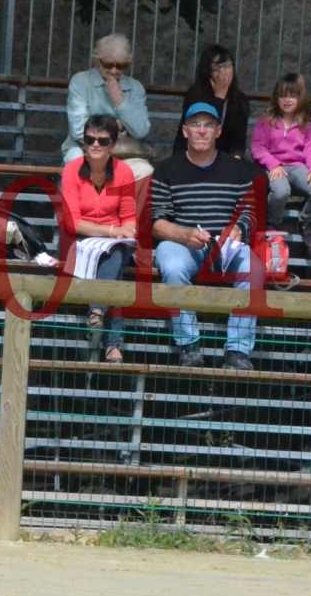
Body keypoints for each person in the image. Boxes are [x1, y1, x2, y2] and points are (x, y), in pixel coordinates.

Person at [150, 102, 259, 371]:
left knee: (253, 268)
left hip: (226, 246)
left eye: (208, 125)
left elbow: (250, 213)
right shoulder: (166, 169)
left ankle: (238, 351)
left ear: (218, 131)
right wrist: (184, 234)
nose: (201, 131)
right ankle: (188, 346)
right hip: (181, 243)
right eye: (195, 125)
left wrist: (237, 230)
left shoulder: (239, 170)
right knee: (172, 266)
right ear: (185, 131)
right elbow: (156, 223)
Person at [59, 115, 138, 363]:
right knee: (115, 267)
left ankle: (96, 311)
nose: (95, 145)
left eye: (102, 141)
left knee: (114, 255)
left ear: (112, 145)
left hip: (111, 244)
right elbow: (73, 223)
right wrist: (113, 232)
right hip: (79, 240)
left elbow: (128, 216)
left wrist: (125, 232)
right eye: (90, 139)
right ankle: (113, 343)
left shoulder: (123, 172)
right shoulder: (71, 171)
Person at [251, 72, 311, 253]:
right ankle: (272, 222)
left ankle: (308, 223)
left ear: (300, 98)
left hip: (298, 167)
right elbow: (258, 148)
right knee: (280, 191)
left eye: (292, 95)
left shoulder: (306, 126)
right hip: (274, 166)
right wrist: (273, 164)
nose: (287, 100)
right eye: (283, 95)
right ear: (276, 98)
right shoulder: (265, 123)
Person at [62, 33, 152, 178]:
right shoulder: (80, 82)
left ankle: (127, 202)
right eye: (108, 65)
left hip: (125, 152)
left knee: (144, 171)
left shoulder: (135, 87)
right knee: (78, 166)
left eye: (121, 66)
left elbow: (141, 131)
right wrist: (117, 126)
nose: (114, 71)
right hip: (84, 148)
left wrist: (120, 102)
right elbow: (78, 130)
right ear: (97, 61)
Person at [174, 44, 249, 157]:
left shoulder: (240, 100)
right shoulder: (195, 94)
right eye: (217, 68)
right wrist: (219, 98)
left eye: (227, 66)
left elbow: (238, 141)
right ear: (207, 72)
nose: (223, 72)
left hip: (224, 160)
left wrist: (236, 160)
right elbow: (202, 132)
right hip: (194, 154)